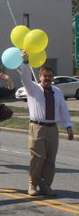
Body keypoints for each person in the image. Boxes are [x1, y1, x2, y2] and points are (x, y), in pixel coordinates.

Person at [21, 51, 74, 197]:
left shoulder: (57, 92)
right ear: (40, 77)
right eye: (45, 76)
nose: (48, 79)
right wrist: (25, 62)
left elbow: (63, 111)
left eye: (50, 76)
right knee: (38, 157)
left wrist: (68, 127)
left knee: (50, 159)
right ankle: (32, 184)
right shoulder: (33, 89)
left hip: (53, 129)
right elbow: (25, 78)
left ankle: (45, 186)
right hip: (37, 127)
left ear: (53, 78)